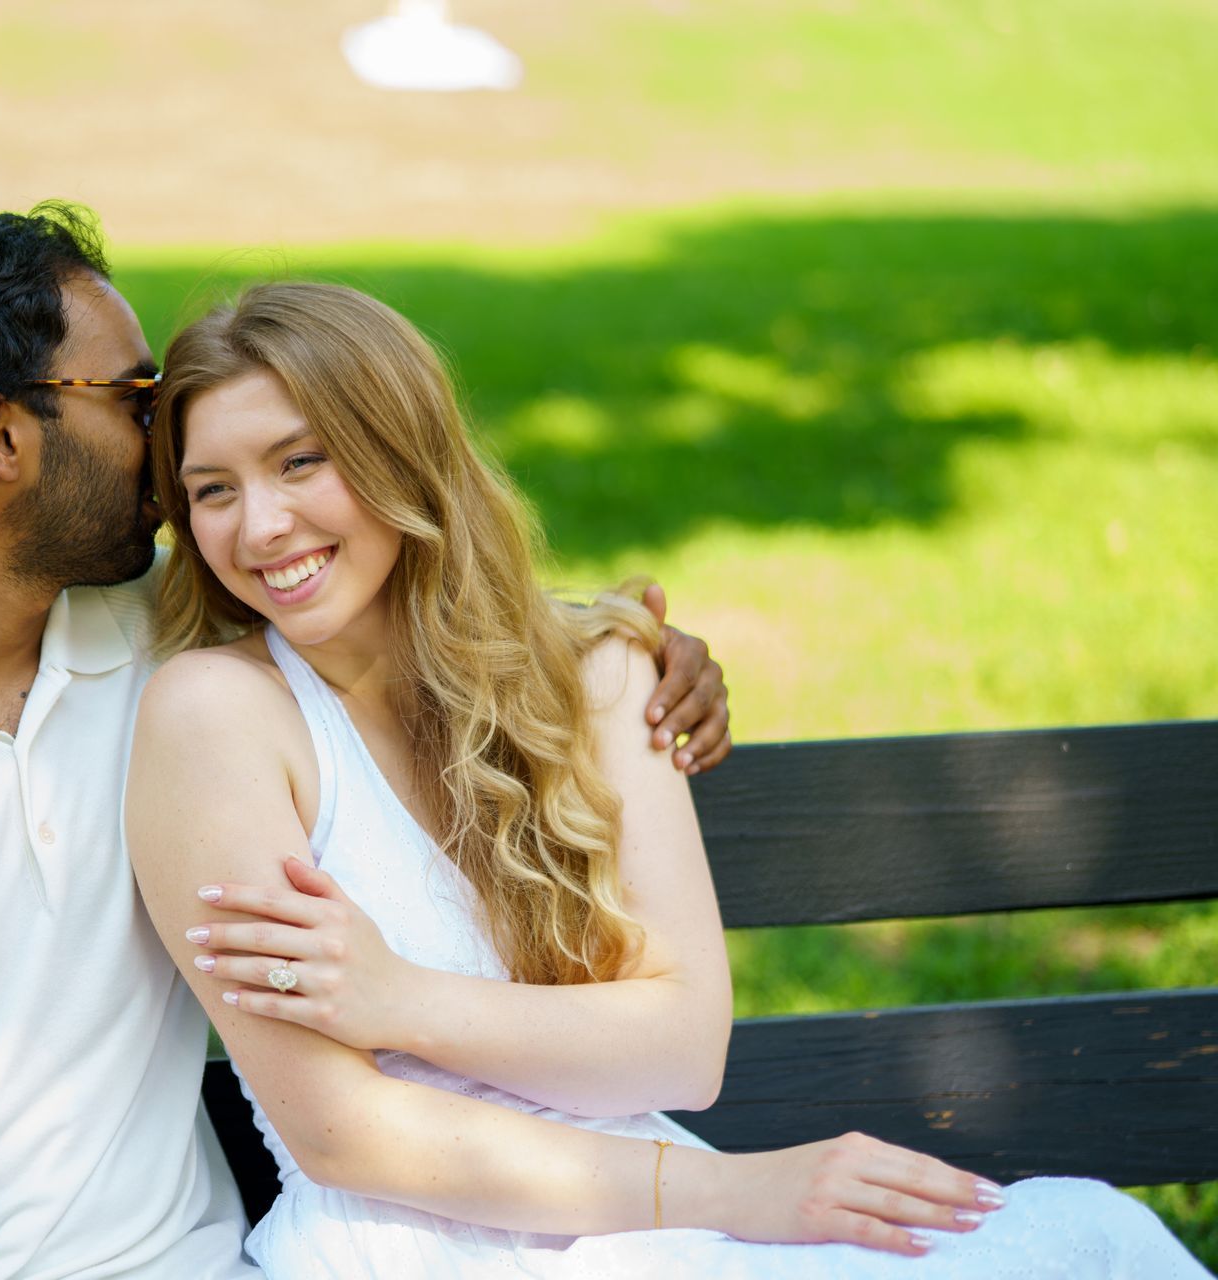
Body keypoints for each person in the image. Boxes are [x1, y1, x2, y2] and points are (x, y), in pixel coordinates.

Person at [0, 205, 735, 1278]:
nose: (168, 441)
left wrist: (633, 650)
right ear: (0, 432)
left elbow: (405, 598)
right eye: (134, 397)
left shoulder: (167, 647)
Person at [125, 281, 1211, 1279]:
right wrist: (744, 1187)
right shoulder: (217, 717)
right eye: (212, 489)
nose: (258, 527)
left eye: (301, 461)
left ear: (405, 456)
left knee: (1096, 1234)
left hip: (668, 1219)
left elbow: (682, 1046)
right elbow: (342, 1130)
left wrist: (402, 999)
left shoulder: (595, 673)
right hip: (421, 1246)